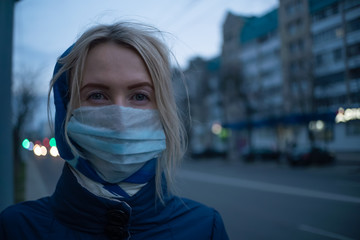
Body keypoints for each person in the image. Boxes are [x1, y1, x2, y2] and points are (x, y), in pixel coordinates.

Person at [0, 22, 229, 240]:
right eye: (97, 95)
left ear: (163, 112)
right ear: (66, 111)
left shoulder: (205, 228)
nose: (120, 119)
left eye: (140, 96)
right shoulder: (16, 228)